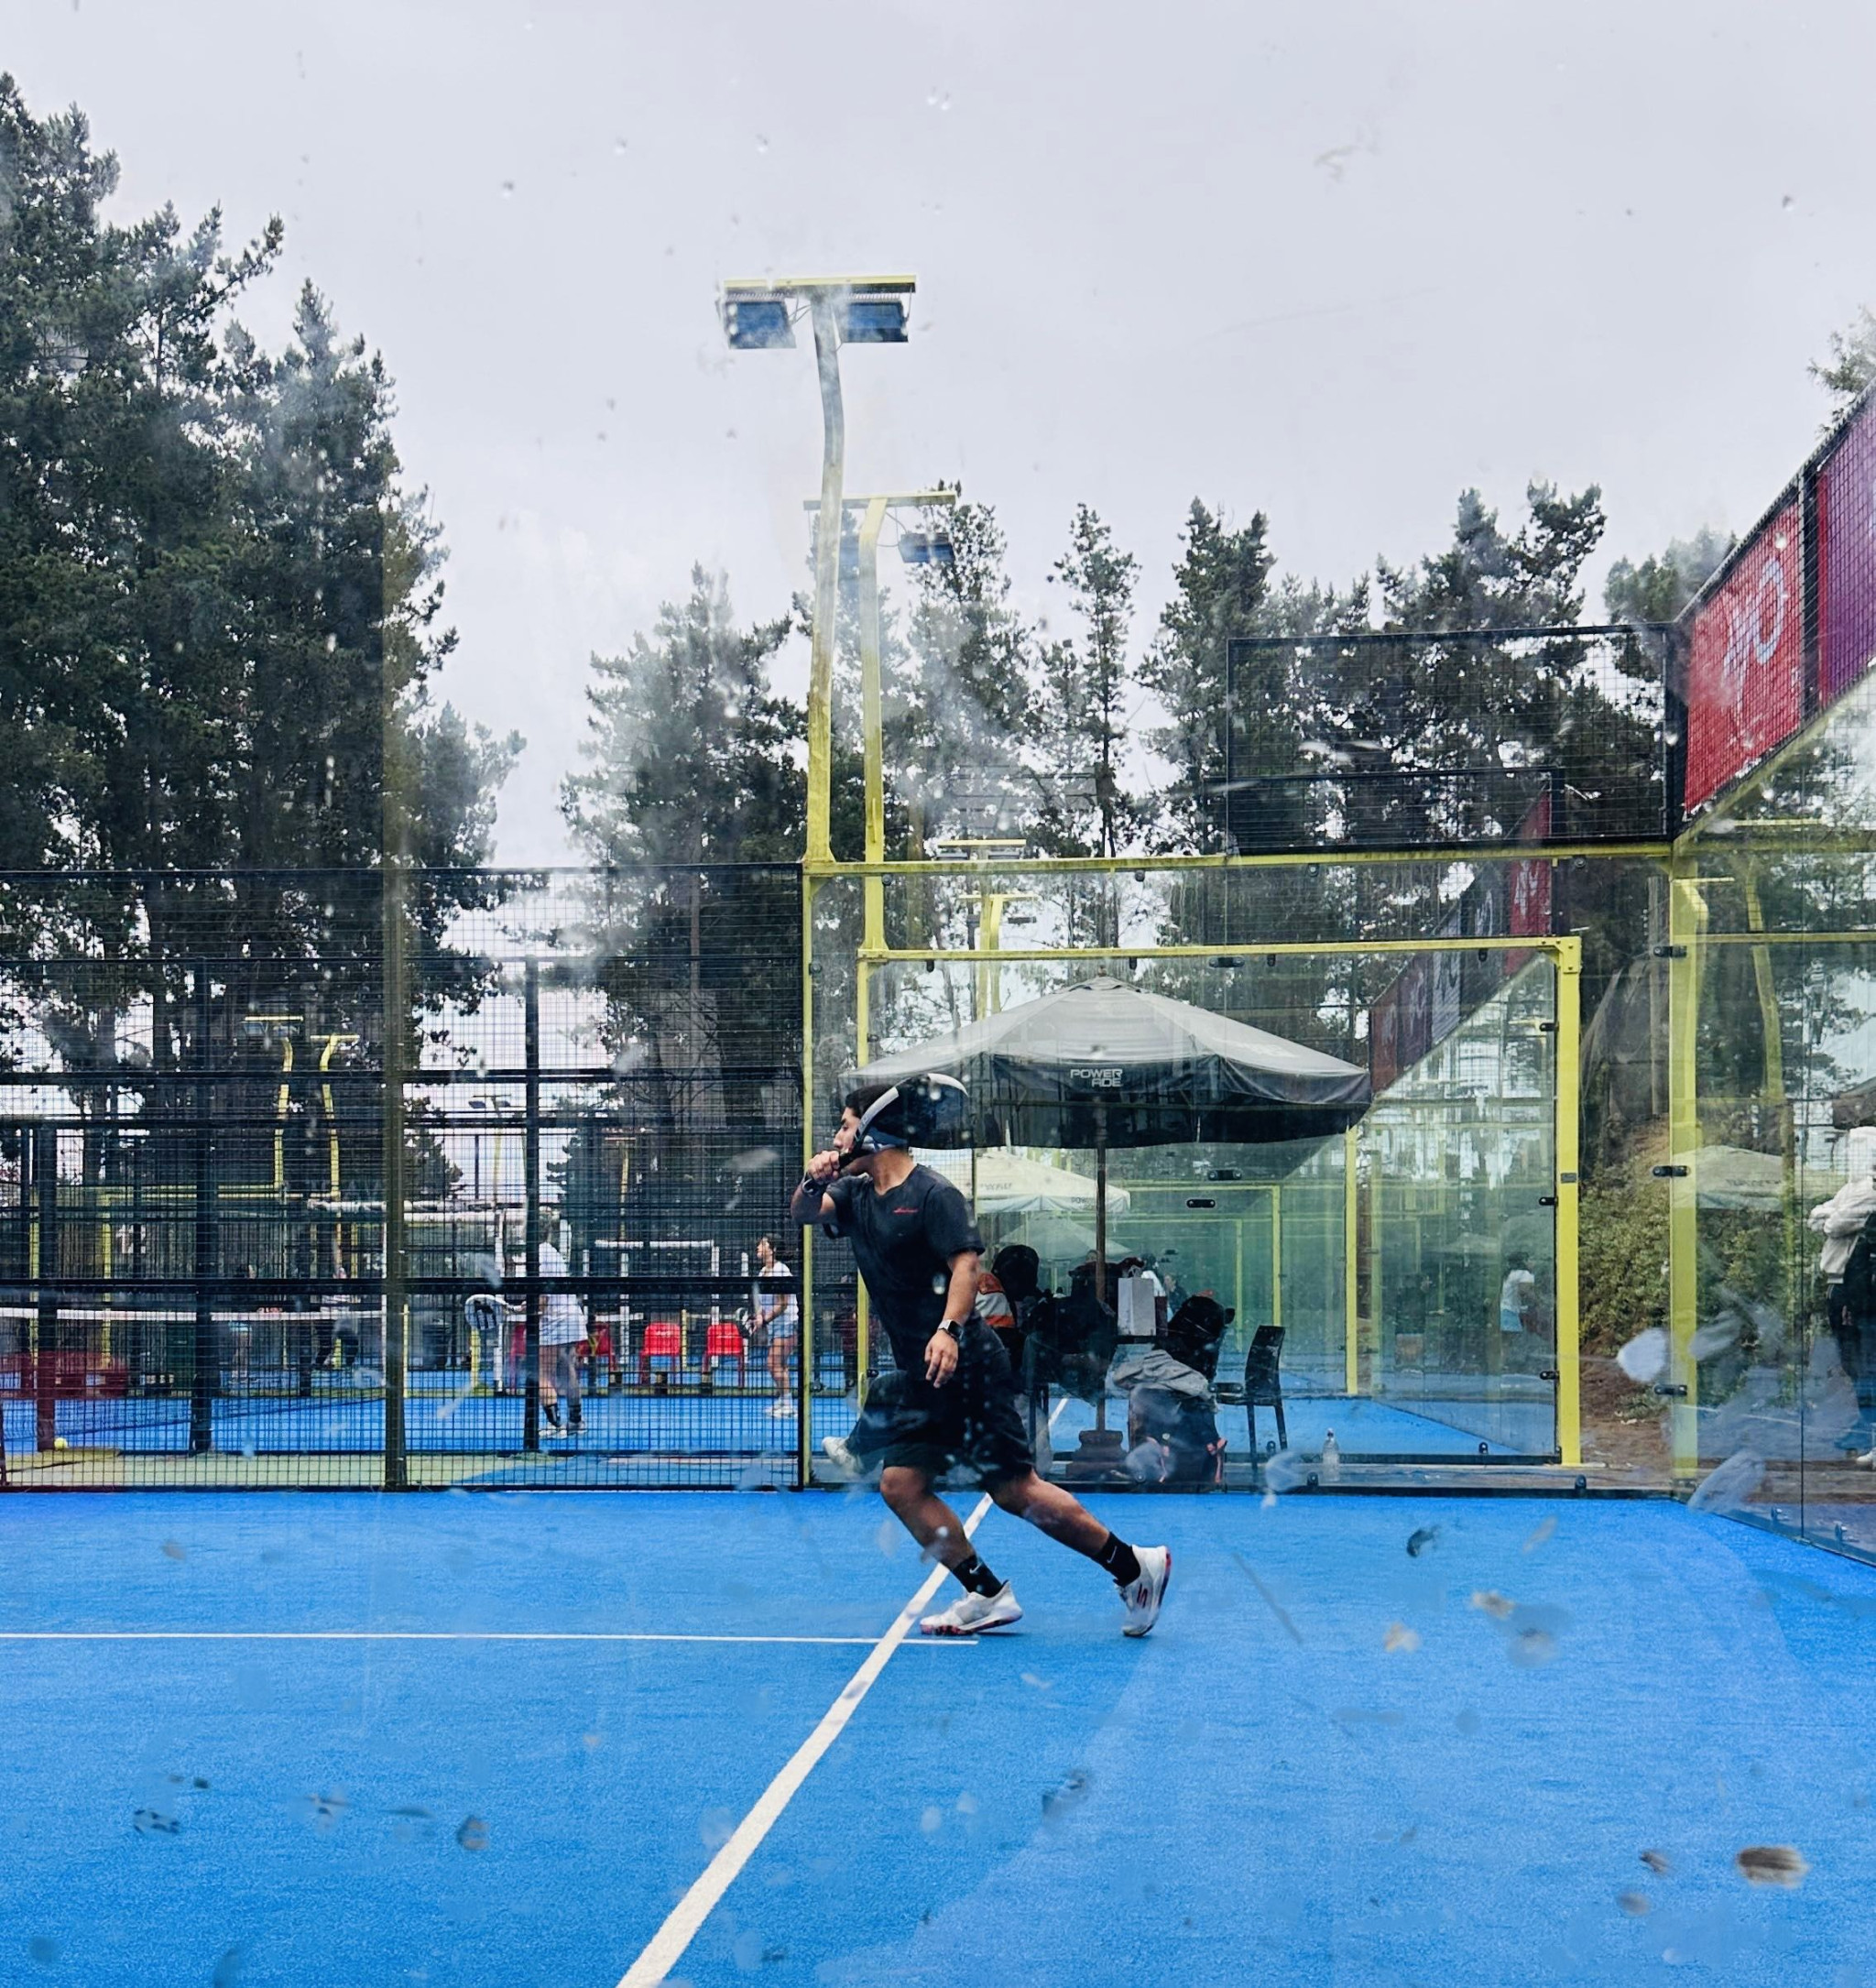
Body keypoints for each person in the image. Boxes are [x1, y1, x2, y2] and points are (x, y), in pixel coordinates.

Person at [791, 1076, 1172, 1639]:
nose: (837, 1137)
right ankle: (987, 1593)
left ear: (872, 1132)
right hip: (924, 1375)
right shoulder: (854, 1195)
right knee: (901, 1486)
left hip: (968, 1366)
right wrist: (812, 1178)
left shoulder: (933, 1195)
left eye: (846, 1126)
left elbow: (966, 1267)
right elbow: (804, 1212)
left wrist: (948, 1330)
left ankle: (1135, 1568)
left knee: (1015, 1491)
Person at [1807, 1143, 1876, 1452]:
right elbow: (1815, 1218)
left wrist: (1832, 1214)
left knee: (1864, 1362)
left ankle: (1869, 1427)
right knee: (1852, 1362)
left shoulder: (1868, 1192)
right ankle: (1866, 1426)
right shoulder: (1851, 1190)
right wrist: (1832, 1213)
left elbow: (1833, 1224)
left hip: (1857, 1286)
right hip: (1841, 1282)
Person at [535, 1238, 587, 1436]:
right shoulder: (552, 1251)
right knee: (567, 1370)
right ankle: (576, 1422)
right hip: (571, 1315)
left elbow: (542, 1298)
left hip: (555, 1320)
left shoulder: (538, 1254)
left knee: (542, 1373)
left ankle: (555, 1425)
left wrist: (532, 1316)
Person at [753, 1234, 800, 1419]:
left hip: (787, 1324)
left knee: (773, 1364)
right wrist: (759, 1317)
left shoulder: (781, 1271)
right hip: (775, 1326)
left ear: (773, 1250)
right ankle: (783, 1400)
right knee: (780, 1365)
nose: (758, 1247)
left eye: (763, 1244)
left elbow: (783, 1303)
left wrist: (765, 1320)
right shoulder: (762, 1272)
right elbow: (762, 1303)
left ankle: (788, 1406)